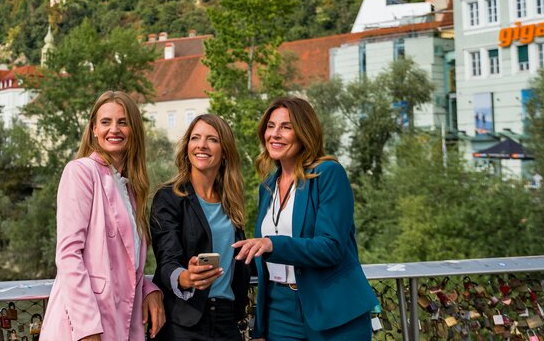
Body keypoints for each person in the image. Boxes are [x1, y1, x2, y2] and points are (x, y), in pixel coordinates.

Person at [232, 96, 377, 340]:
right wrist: (262, 325)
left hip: (332, 310)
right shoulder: (267, 186)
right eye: (270, 126)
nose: (275, 134)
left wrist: (271, 244)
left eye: (286, 127)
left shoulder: (328, 174)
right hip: (280, 311)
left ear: (304, 132)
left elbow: (330, 247)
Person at [39, 91, 165, 340]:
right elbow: (68, 256)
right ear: (94, 129)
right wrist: (88, 329)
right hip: (84, 326)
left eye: (123, 122)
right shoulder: (81, 172)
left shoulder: (131, 188)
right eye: (106, 122)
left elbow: (126, 263)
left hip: (121, 322)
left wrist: (149, 288)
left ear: (134, 130)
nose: (114, 129)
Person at [151, 114, 250, 341]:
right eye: (195, 138)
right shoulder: (169, 197)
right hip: (184, 323)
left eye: (212, 139)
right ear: (187, 147)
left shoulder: (231, 202)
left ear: (224, 151)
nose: (202, 145)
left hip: (227, 321)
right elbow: (167, 259)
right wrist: (186, 278)